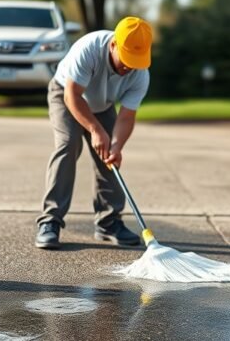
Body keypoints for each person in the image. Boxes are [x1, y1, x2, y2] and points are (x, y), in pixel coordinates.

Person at [35, 16, 152, 249]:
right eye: (126, 58)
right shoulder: (88, 49)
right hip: (66, 94)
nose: (129, 66)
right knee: (69, 144)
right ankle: (50, 220)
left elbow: (126, 116)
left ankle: (108, 222)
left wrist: (117, 145)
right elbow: (72, 96)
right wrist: (95, 129)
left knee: (109, 156)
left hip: (102, 105)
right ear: (113, 45)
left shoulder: (141, 73)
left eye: (135, 61)